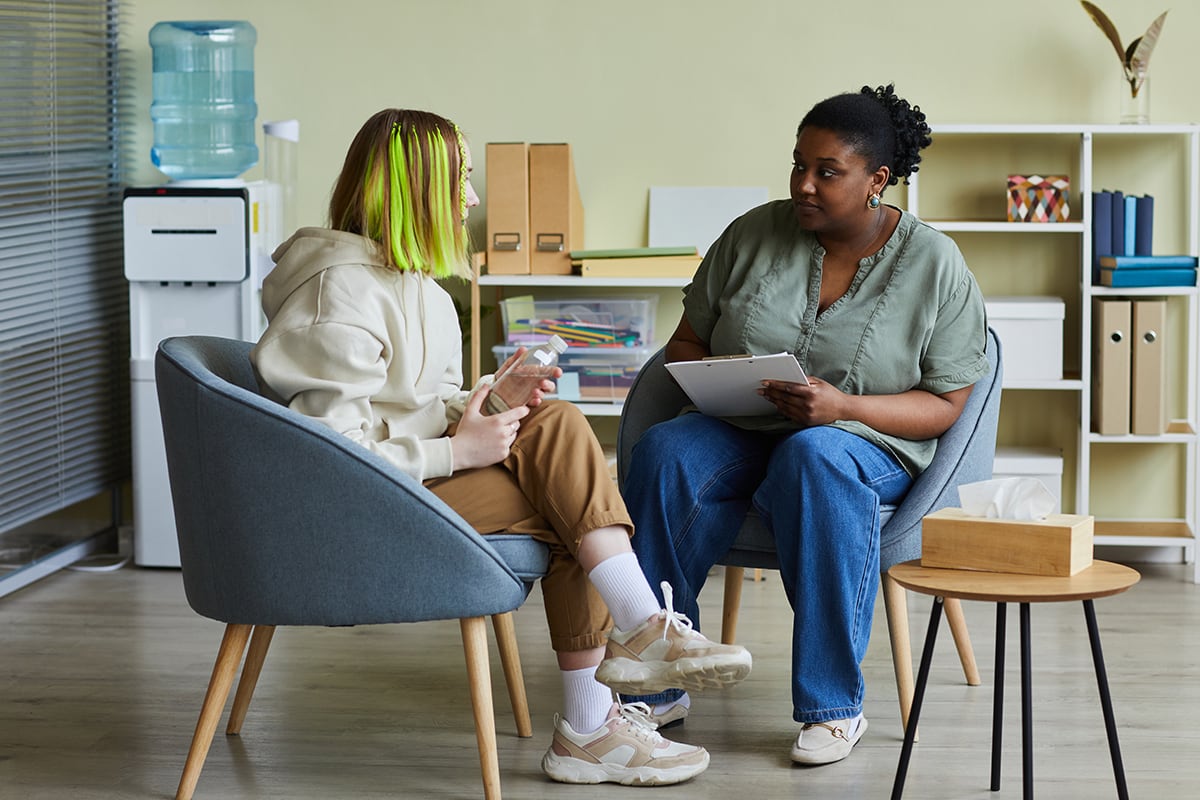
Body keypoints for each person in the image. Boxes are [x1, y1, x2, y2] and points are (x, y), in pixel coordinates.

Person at [249, 108, 751, 786]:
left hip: (410, 485)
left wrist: (483, 405)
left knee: (567, 478)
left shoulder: (420, 288)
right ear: (417, 190)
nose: (473, 200)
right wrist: (460, 453)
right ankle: (605, 696)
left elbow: (417, 408)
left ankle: (615, 678)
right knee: (569, 488)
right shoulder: (337, 292)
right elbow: (330, 456)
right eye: (460, 181)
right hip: (350, 509)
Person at [620, 85, 989, 765]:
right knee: (667, 449)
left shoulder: (935, 263)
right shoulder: (752, 234)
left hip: (868, 441)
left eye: (827, 171)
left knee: (814, 456)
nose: (804, 185)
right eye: (798, 165)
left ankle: (832, 706)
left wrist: (843, 408)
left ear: (878, 180)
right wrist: (719, 388)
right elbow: (685, 344)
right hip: (742, 426)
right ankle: (662, 677)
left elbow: (947, 403)